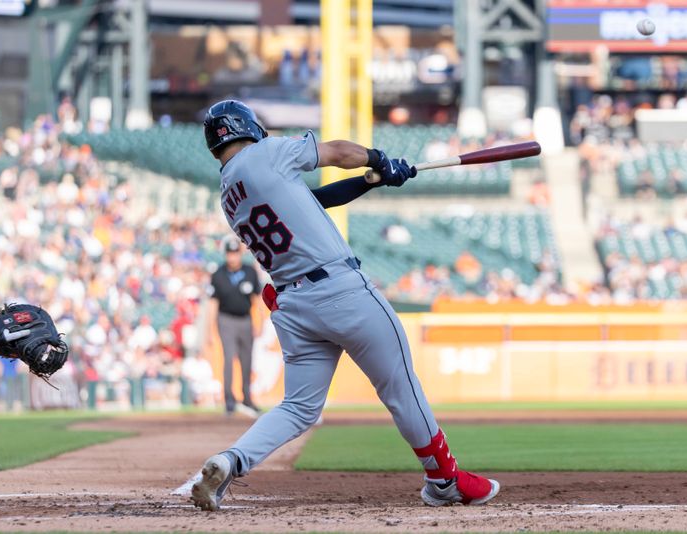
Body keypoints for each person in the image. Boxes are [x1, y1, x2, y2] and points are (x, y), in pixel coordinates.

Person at [191, 100, 499, 510]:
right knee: (400, 385)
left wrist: (372, 180)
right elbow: (337, 152)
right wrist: (379, 159)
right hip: (340, 289)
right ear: (247, 127)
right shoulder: (265, 153)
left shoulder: (229, 192)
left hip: (294, 304)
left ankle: (230, 460)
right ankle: (445, 480)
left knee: (299, 407)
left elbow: (313, 201)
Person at [208, 238, 261, 417]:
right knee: (228, 360)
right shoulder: (219, 274)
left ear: (240, 253)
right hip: (226, 320)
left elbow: (256, 299)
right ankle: (229, 402)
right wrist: (210, 329)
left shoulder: (249, 272)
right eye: (229, 254)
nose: (232, 257)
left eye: (235, 253)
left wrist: (258, 322)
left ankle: (247, 398)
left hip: (245, 320)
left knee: (247, 361)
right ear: (226, 254)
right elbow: (213, 302)